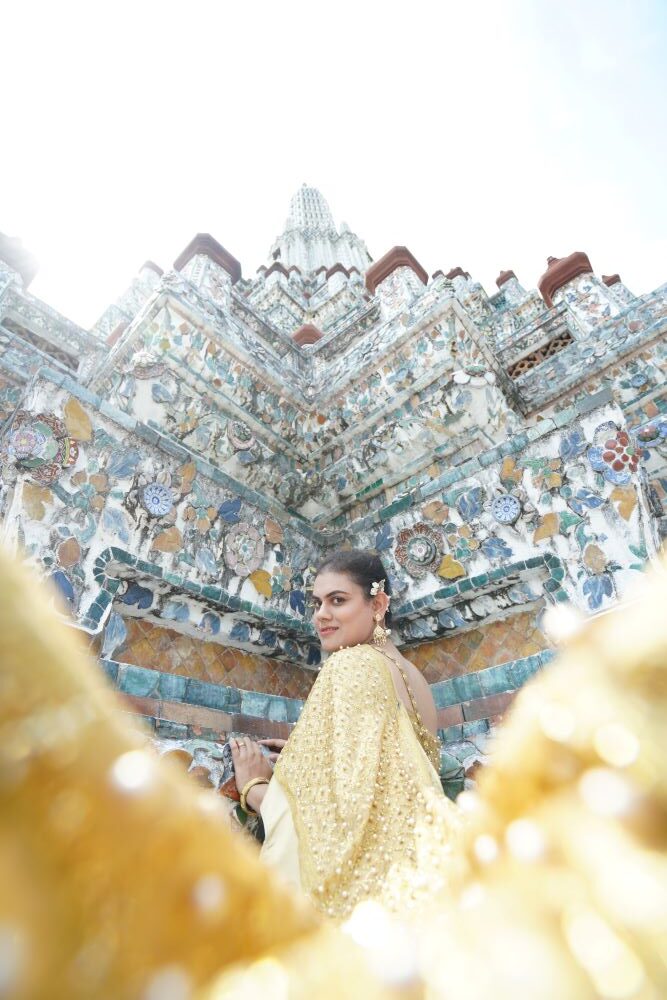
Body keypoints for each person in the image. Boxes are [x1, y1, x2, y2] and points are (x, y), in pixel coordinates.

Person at [230, 549, 460, 919]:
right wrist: (315, 751)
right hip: (417, 882)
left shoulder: (350, 664)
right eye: (317, 603)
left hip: (363, 904)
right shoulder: (414, 678)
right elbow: (388, 771)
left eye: (338, 600)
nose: (321, 614)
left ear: (378, 603)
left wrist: (255, 788)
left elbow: (340, 817)